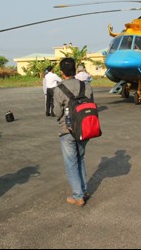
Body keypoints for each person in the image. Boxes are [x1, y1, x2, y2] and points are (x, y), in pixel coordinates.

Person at [53, 58, 93, 206]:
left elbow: (57, 113)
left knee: (71, 163)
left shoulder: (59, 89)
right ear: (75, 70)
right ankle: (83, 190)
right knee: (81, 158)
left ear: (62, 72)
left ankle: (78, 196)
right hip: (85, 128)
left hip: (67, 130)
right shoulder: (86, 86)